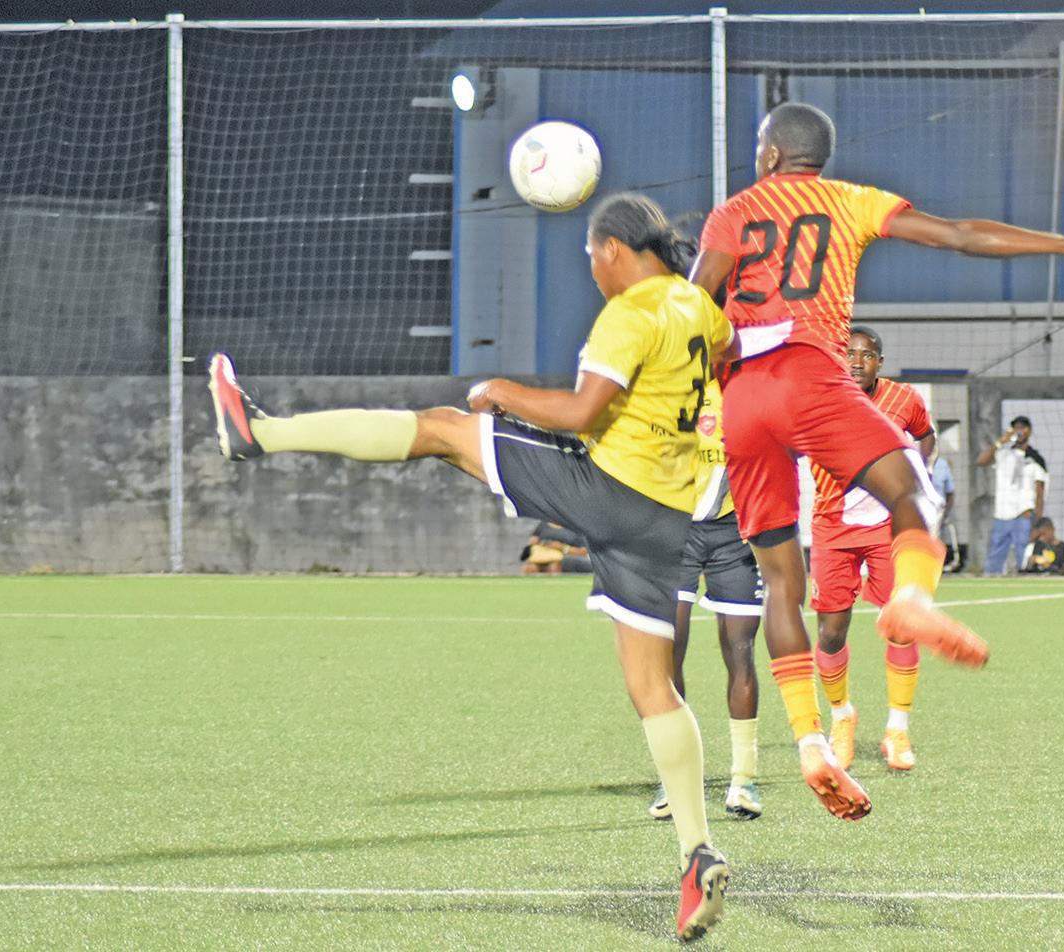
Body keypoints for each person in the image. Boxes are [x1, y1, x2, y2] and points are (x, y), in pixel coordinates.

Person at [207, 193, 735, 942]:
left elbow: (582, 412)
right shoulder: (697, 307)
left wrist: (503, 393)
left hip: (607, 488)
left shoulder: (630, 313)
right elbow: (727, 353)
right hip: (665, 514)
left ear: (614, 249)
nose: (591, 270)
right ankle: (696, 851)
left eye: (590, 256)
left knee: (445, 428)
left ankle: (258, 433)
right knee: (654, 688)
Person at [687, 101, 1064, 813]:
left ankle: (809, 743)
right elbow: (959, 235)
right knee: (913, 491)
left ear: (768, 156)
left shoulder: (732, 213)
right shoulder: (851, 200)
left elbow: (690, 308)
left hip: (742, 402)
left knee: (779, 583)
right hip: (812, 379)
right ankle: (912, 599)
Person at [808, 326, 939, 772]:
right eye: (849, 353)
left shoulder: (904, 399)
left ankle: (897, 729)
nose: (857, 361)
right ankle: (841, 716)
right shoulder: (819, 398)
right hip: (833, 526)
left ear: (880, 362)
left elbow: (925, 433)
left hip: (887, 527)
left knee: (901, 625)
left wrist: (921, 473)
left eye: (867, 355)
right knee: (831, 632)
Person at [650, 376, 765, 823]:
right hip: (675, 531)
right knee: (667, 650)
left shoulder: (746, 388)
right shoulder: (671, 383)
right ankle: (674, 777)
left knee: (740, 651)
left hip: (735, 535)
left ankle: (743, 779)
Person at [977, 415, 1049, 575]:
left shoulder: (1035, 459)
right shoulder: (1003, 453)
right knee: (996, 554)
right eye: (1016, 427)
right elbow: (981, 461)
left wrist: (1037, 519)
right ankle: (992, 578)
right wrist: (1001, 442)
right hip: (1002, 514)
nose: (1019, 431)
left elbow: (1040, 492)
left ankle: (1025, 578)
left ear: (1029, 431)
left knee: (1024, 555)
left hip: (1024, 514)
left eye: (1023, 427)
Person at [928, 447, 960, 572]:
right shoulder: (912, 461)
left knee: (933, 542)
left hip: (937, 512)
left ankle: (933, 569)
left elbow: (950, 493)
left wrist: (945, 513)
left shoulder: (942, 464)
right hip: (917, 511)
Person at [521, 522, 591, 574]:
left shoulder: (573, 529)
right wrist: (532, 541)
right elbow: (530, 540)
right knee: (530, 567)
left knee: (553, 566)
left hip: (562, 556)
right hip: (539, 555)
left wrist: (561, 547)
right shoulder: (540, 525)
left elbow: (583, 552)